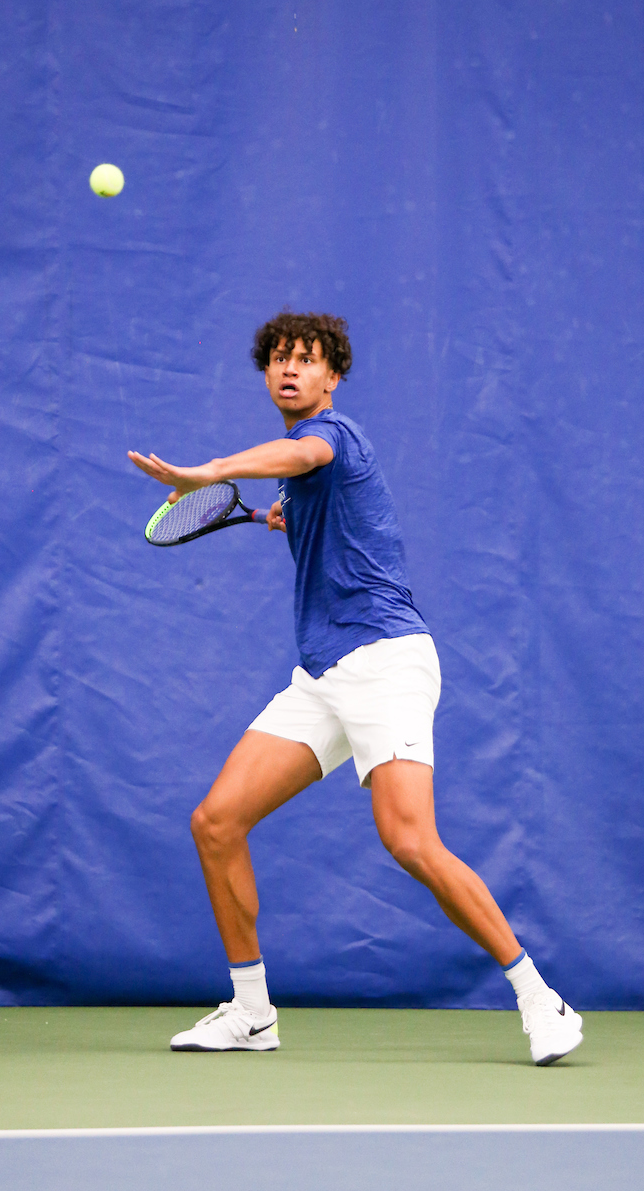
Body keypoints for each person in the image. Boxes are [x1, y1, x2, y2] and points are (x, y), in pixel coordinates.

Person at [128, 311, 583, 1066]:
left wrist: (211, 472)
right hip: (323, 674)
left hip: (386, 660)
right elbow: (308, 487)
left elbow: (302, 453)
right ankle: (251, 1011)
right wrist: (294, 521)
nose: (290, 369)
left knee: (408, 839)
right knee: (216, 823)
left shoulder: (336, 436)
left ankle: (540, 996)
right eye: (278, 358)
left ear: (331, 377)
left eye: (306, 359)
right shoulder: (305, 480)